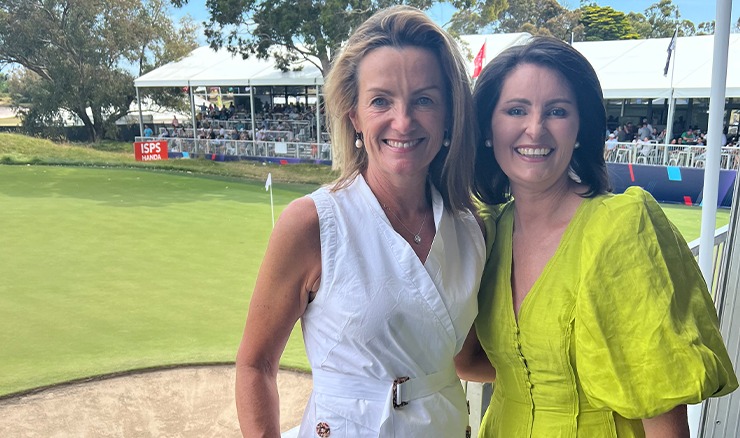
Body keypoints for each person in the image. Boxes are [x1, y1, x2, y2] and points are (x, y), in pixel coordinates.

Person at [457, 37, 738, 438]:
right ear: (488, 128)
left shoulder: (621, 228)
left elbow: (663, 417)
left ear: (580, 128)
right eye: (516, 110)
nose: (534, 129)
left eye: (556, 112)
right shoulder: (484, 234)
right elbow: (465, 362)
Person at [234, 7, 486, 438]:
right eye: (381, 100)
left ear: (448, 116)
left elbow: (464, 358)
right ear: (354, 116)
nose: (403, 121)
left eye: (424, 99)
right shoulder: (311, 223)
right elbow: (256, 366)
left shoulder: (472, 229)